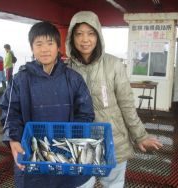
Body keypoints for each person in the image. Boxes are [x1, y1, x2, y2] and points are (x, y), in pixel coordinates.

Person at [65, 11, 163, 188]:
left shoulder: (114, 64)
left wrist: (140, 135)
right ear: (71, 37)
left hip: (113, 140)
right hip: (80, 142)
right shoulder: (65, 69)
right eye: (79, 34)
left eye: (91, 33)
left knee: (114, 184)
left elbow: (126, 104)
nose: (85, 39)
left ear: (98, 35)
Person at [0, 21, 95, 188]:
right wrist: (13, 139)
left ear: (58, 46)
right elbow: (10, 114)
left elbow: (86, 113)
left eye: (50, 43)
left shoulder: (74, 78)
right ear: (32, 48)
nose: (44, 49)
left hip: (67, 154)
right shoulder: (20, 80)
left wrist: (72, 142)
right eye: (39, 44)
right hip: (33, 155)